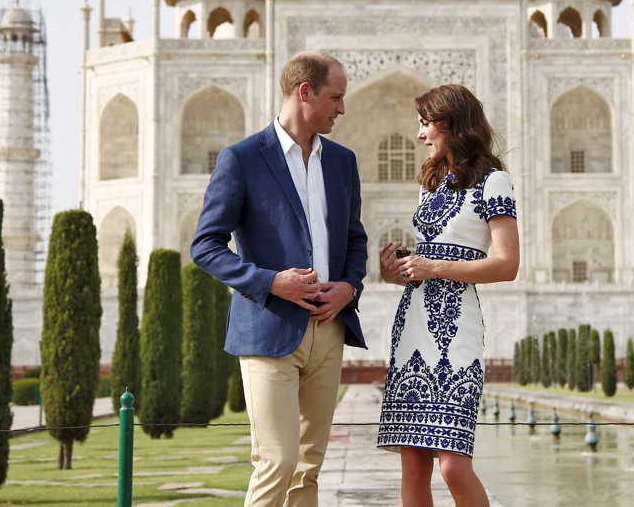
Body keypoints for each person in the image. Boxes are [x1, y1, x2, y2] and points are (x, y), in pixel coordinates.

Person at [191, 51, 368, 507]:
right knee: (277, 460)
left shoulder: (342, 162)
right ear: (304, 92)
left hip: (328, 328)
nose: (343, 109)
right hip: (270, 328)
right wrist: (270, 281)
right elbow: (205, 247)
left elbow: (355, 240)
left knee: (309, 466)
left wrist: (349, 286)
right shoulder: (244, 159)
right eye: (336, 97)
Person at [376, 84, 520, 507]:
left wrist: (434, 267)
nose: (420, 135)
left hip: (457, 329)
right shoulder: (431, 185)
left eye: (425, 124)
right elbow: (423, 263)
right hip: (413, 324)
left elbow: (507, 264)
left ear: (451, 124)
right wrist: (394, 273)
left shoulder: (495, 182)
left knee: (453, 464)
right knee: (413, 462)